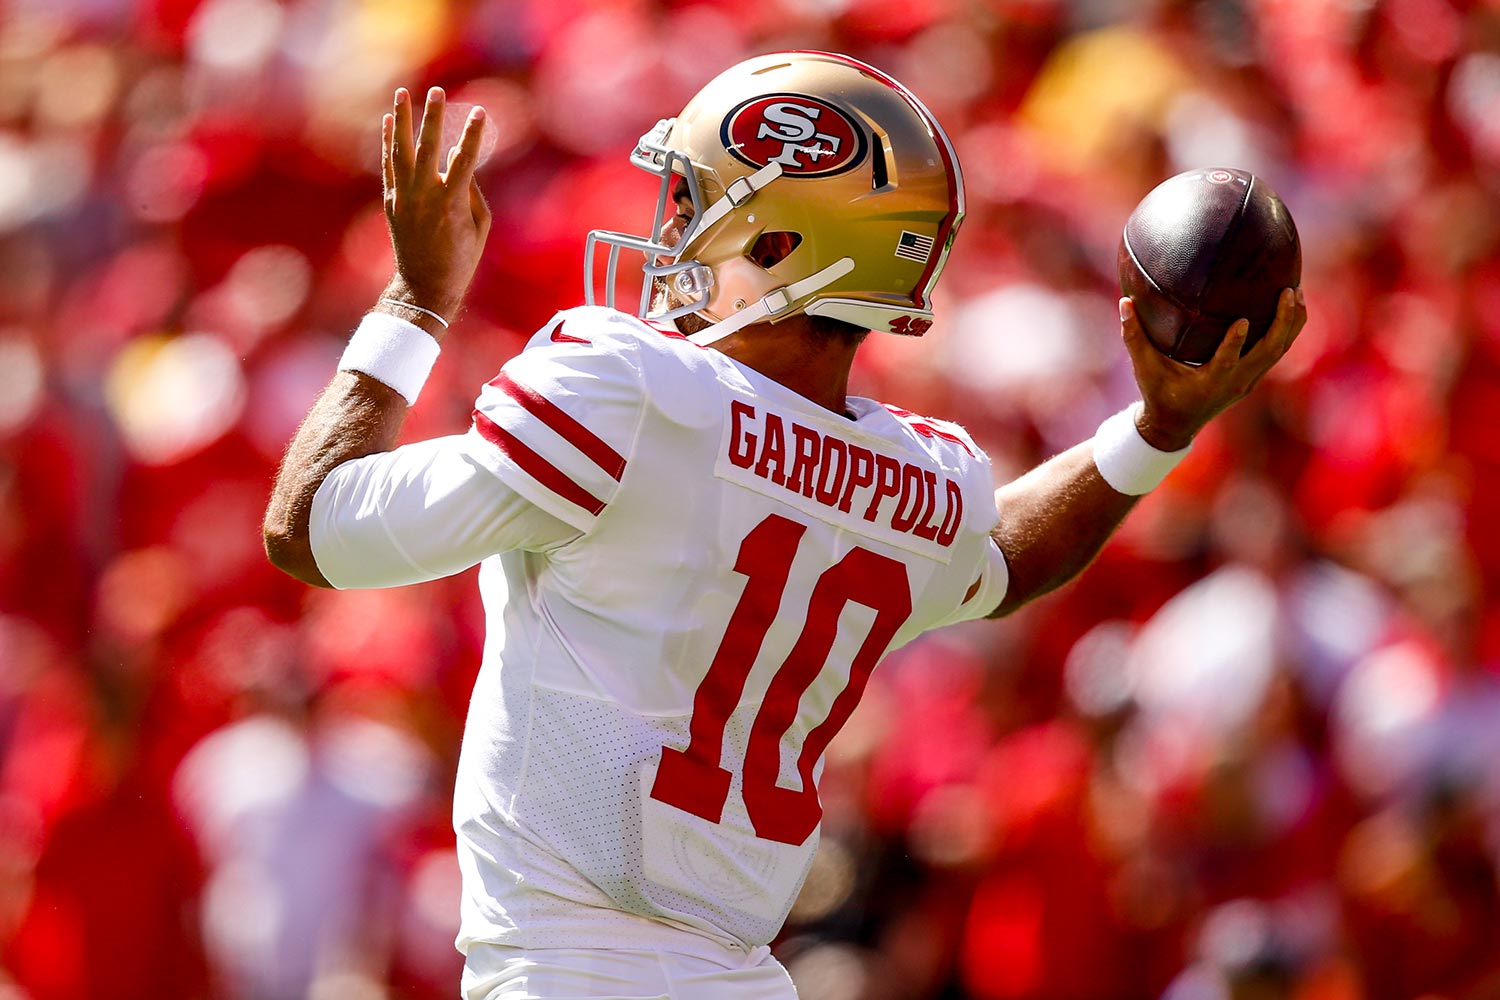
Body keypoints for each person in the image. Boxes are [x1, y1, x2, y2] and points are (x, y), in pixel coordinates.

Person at [263, 51, 1306, 1000]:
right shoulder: (918, 475)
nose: (675, 235)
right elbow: (1007, 562)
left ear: (780, 240)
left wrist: (415, 300)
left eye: (702, 208)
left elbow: (308, 528)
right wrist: (1160, 428)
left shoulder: (625, 390)